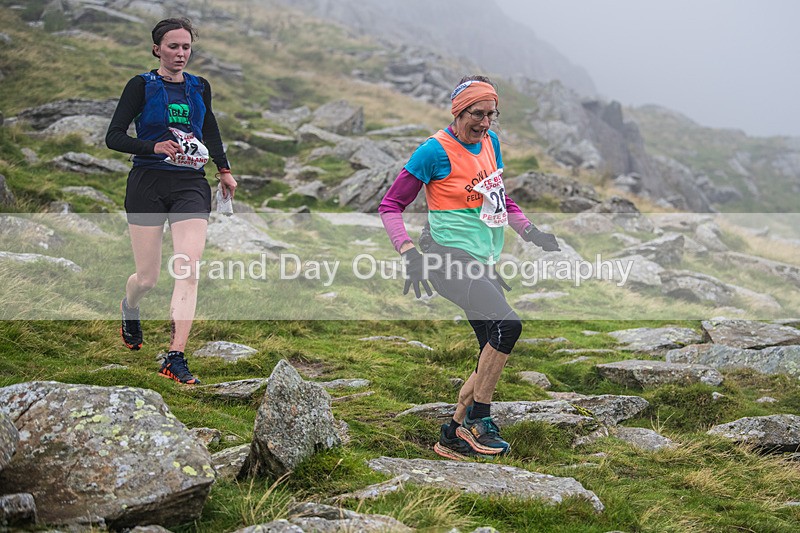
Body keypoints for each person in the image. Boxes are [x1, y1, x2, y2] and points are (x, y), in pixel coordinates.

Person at [379, 75, 560, 460]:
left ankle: (452, 435)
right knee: (508, 326)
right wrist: (409, 253)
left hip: (482, 258)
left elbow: (498, 199)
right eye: (477, 114)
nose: (484, 123)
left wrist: (531, 231)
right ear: (459, 110)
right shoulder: (433, 151)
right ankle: (481, 420)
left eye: (491, 114)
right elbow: (390, 206)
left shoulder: (490, 143)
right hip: (444, 256)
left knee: (489, 351)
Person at [106, 17, 237, 384]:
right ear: (157, 49)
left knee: (188, 268)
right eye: (173, 47)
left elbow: (208, 127)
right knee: (146, 278)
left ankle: (174, 356)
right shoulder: (140, 86)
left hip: (190, 184)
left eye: (186, 47)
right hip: (147, 181)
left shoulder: (199, 87)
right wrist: (153, 146)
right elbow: (113, 136)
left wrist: (223, 169)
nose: (181, 54)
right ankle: (130, 306)